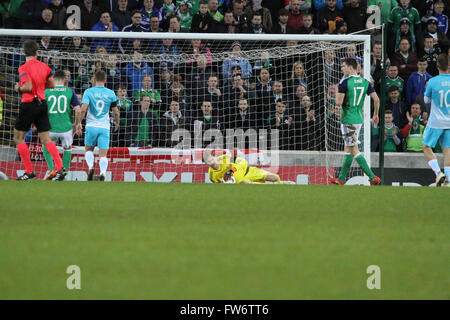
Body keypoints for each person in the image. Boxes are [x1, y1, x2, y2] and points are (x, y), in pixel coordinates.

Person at [13, 40, 66, 181]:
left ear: (24, 52)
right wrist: (40, 88)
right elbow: (52, 85)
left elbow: (28, 86)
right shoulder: (45, 67)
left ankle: (29, 171)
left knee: (18, 137)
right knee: (45, 138)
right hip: (42, 104)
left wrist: (18, 88)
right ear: (37, 52)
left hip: (29, 104)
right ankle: (60, 168)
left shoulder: (23, 68)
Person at [330, 58, 381, 185]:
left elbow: (338, 102)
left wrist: (338, 89)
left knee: (353, 149)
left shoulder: (345, 82)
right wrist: (376, 114)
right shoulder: (365, 81)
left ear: (350, 67)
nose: (341, 69)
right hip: (359, 119)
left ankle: (372, 176)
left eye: (343, 66)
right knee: (348, 148)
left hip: (348, 120)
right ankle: (341, 179)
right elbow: (377, 100)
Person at [80, 70, 120, 181]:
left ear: (94, 80)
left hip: (91, 125)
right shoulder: (110, 93)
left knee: (88, 150)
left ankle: (91, 167)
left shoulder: (88, 92)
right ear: (105, 80)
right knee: (103, 155)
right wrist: (117, 122)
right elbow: (116, 112)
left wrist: (78, 122)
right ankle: (103, 173)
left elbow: (83, 109)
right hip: (104, 127)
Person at [43, 70, 82, 180]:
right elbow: (78, 110)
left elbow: (40, 109)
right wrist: (76, 124)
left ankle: (52, 170)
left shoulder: (46, 91)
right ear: (65, 80)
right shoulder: (70, 92)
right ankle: (63, 172)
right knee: (67, 148)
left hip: (50, 127)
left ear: (53, 79)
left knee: (46, 146)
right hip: (66, 127)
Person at [422, 53, 450, 186]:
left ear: (437, 65)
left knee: (426, 147)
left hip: (436, 121)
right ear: (448, 66)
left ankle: (439, 174)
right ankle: (448, 181)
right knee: (447, 150)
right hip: (449, 121)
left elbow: (426, 100)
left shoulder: (432, 81)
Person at [202, 150, 290, 184]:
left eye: (212, 159)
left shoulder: (226, 158)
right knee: (245, 183)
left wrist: (231, 170)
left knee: (275, 177)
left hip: (249, 171)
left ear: (215, 156)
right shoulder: (212, 175)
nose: (212, 163)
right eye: (209, 162)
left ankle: (283, 184)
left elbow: (243, 162)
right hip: (241, 182)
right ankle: (277, 187)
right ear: (206, 164)